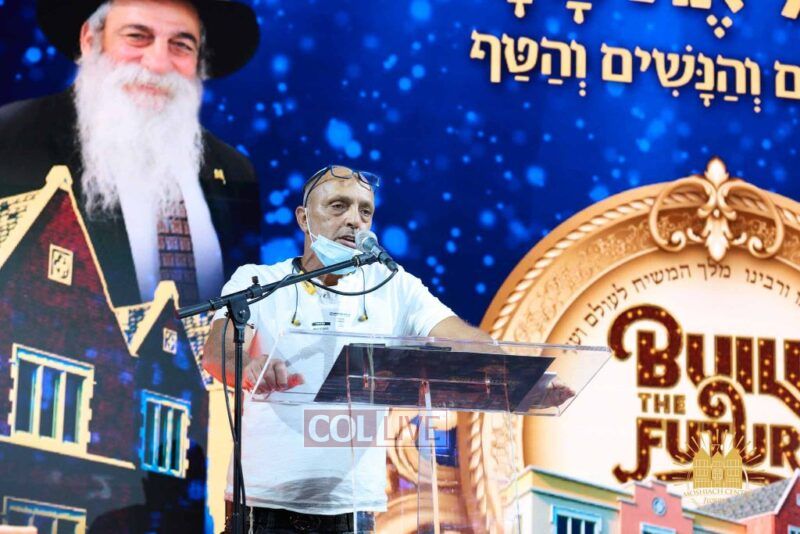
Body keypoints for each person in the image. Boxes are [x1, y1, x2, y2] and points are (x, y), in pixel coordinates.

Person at [203, 165, 574, 533]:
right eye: (338, 206)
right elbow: (217, 353)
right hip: (261, 507)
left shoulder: (394, 286)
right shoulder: (258, 281)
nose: (354, 220)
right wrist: (248, 367)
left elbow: (461, 338)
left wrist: (519, 377)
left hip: (352, 510)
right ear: (303, 218)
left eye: (365, 211)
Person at [0, 0, 261, 305]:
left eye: (181, 45)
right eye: (137, 36)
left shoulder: (234, 171)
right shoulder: (12, 140)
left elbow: (248, 307)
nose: (158, 63)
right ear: (90, 40)